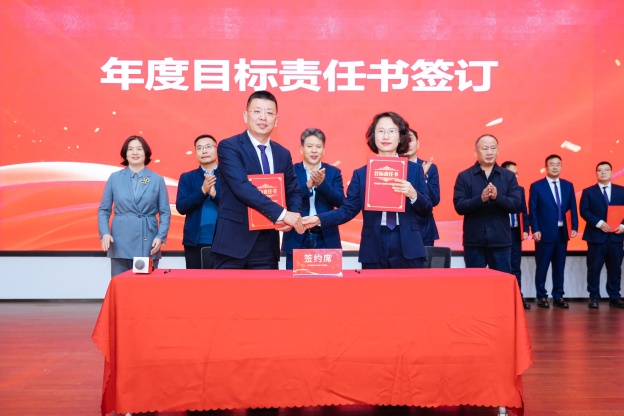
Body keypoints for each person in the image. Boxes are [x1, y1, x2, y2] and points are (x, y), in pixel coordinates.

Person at [302, 112, 432, 269]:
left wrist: (413, 194)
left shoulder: (415, 170)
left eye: (392, 131)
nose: (386, 136)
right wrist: (319, 219)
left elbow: (427, 209)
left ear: (400, 136)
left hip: (408, 245)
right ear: (373, 136)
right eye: (381, 131)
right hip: (374, 246)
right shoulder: (362, 174)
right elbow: (347, 210)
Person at [211, 90, 304, 270]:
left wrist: (294, 215)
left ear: (276, 120)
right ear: (246, 116)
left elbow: (293, 190)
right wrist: (284, 215)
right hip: (232, 243)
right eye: (257, 111)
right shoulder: (229, 147)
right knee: (226, 290)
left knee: (266, 290)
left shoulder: (282, 153)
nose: (263, 117)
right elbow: (241, 187)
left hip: (267, 245)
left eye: (269, 113)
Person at [98, 135, 171, 277]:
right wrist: (105, 233)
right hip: (120, 239)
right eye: (130, 149)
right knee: (121, 283)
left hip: (148, 238)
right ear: (125, 154)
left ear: (145, 152)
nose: (135, 153)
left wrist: (160, 236)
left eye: (139, 149)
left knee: (145, 285)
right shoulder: (115, 178)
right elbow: (104, 210)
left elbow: (165, 212)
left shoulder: (157, 179)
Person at [453, 135, 522, 275]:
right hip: (474, 242)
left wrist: (497, 197)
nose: (489, 152)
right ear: (475, 152)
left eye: (493, 148)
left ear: (498, 151)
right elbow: (459, 206)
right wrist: (480, 199)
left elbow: (516, 205)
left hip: (500, 242)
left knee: (501, 283)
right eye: (485, 148)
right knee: (474, 283)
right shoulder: (464, 176)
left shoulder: (508, 176)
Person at [281, 128, 345, 270]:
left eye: (318, 146)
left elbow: (341, 202)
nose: (314, 151)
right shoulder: (291, 171)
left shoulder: (333, 172)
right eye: (310, 146)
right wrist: (308, 186)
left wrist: (322, 184)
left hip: (326, 238)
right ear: (301, 149)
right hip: (297, 237)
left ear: (324, 150)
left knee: (326, 282)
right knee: (295, 282)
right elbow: (285, 198)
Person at [529, 154, 578, 309]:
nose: (555, 167)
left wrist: (574, 226)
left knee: (559, 266)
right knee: (542, 266)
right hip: (544, 233)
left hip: (562, 233)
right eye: (552, 164)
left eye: (558, 164)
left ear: (561, 166)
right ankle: (541, 296)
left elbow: (572, 207)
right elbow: (533, 210)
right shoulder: (537, 186)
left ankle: (558, 296)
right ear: (546, 167)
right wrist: (535, 229)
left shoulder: (568, 185)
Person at [579, 161, 624, 309]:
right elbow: (584, 211)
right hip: (596, 236)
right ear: (596, 173)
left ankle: (614, 297)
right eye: (600, 170)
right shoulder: (588, 191)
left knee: (615, 269)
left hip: (616, 236)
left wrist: (623, 226)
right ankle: (594, 297)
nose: (603, 172)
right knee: (594, 269)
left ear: (611, 172)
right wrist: (599, 223)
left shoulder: (621, 191)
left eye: (606, 170)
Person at [175, 134, 220, 269]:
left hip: (225, 241)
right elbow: (181, 207)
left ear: (216, 149)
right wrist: (202, 191)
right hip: (195, 241)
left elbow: (236, 207)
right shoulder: (187, 177)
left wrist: (215, 195)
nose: (204, 151)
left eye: (208, 147)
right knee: (196, 281)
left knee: (224, 281)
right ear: (195, 153)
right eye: (200, 148)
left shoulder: (229, 175)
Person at [402, 128, 440, 246]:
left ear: (418, 144)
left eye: (411, 140)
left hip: (422, 230)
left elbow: (434, 200)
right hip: (398, 229)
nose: (408, 144)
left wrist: (423, 177)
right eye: (404, 140)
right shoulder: (391, 167)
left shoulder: (430, 168)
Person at [501, 161, 532, 310]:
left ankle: (518, 297)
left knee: (515, 267)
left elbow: (524, 211)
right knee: (501, 267)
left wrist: (525, 228)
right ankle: (503, 299)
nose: (516, 176)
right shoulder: (497, 189)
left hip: (515, 232)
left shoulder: (520, 190)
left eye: (517, 173)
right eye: (513, 174)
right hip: (501, 233)